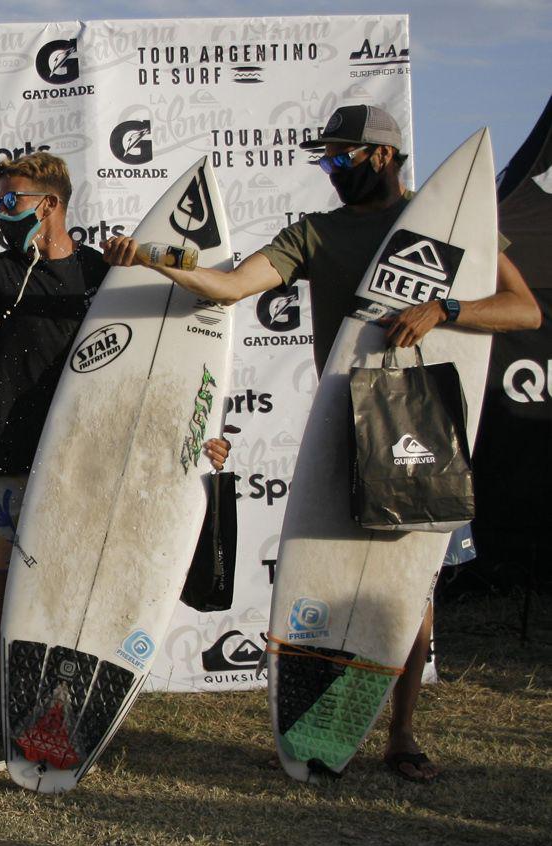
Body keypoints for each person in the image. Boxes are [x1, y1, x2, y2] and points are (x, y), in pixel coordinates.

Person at [103, 104, 541, 782]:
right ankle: (326, 727)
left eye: (343, 157)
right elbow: (229, 285)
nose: (331, 171)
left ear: (383, 156)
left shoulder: (447, 222)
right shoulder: (318, 233)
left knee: (409, 589)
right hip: (345, 419)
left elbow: (526, 311)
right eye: (325, 159)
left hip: (423, 424)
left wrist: (446, 309)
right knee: (330, 578)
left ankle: (401, 734)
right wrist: (157, 260)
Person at [0, 151, 230, 775]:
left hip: (94, 467)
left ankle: (77, 721)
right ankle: (18, 730)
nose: (2, 212)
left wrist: (202, 432)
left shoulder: (104, 273)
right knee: (7, 597)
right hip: (9, 460)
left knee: (90, 591)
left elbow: (172, 358)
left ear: (51, 205)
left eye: (13, 201)